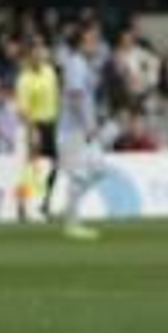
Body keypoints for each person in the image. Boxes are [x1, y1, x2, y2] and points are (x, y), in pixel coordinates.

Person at [54, 22, 107, 241]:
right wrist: (87, 126)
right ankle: (71, 223)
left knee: (98, 169)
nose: (95, 43)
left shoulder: (84, 64)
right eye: (91, 39)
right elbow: (76, 97)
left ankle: (68, 209)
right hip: (73, 130)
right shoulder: (76, 64)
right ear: (81, 43)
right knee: (79, 174)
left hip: (83, 130)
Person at [13, 39, 59, 222]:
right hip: (35, 125)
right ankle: (22, 205)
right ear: (30, 57)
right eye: (36, 54)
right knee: (30, 169)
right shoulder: (24, 79)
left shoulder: (50, 72)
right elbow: (23, 110)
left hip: (50, 123)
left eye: (42, 53)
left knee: (55, 165)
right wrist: (33, 131)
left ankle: (45, 202)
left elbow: (55, 97)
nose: (39, 56)